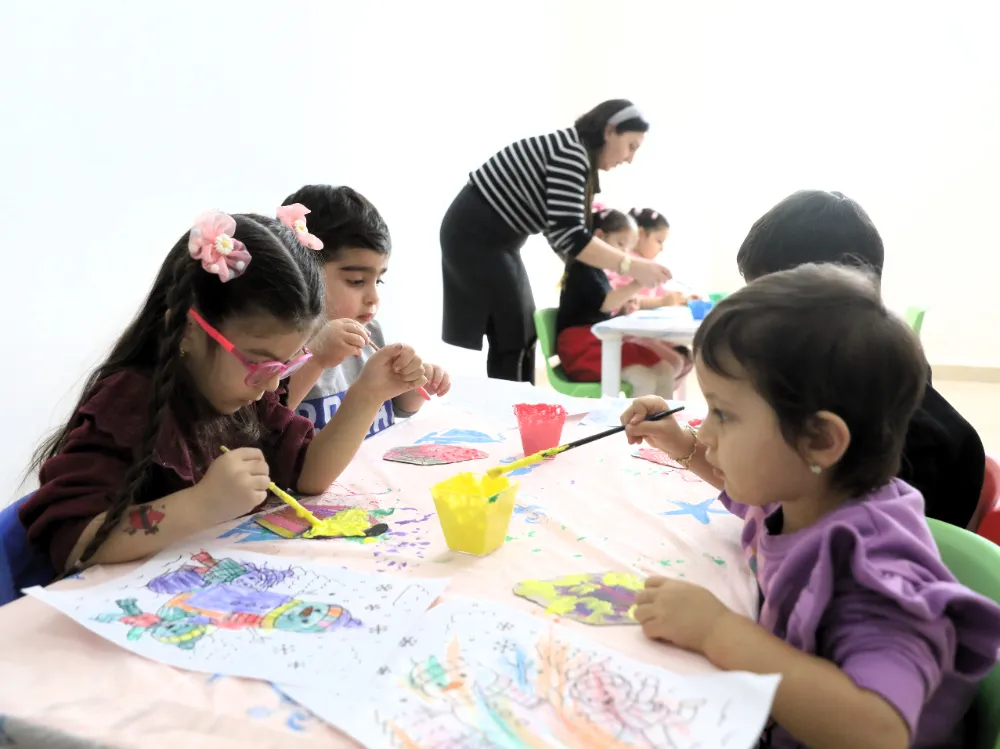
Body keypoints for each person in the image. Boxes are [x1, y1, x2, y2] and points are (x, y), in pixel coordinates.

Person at [622, 264, 1000, 749]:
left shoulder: (873, 571)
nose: (708, 431)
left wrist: (717, 632)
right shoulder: (808, 493)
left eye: (724, 414)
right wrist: (683, 444)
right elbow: (752, 500)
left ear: (820, 440)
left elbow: (879, 732)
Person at [20, 210, 427, 575]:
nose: (272, 386)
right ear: (186, 329)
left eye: (286, 366)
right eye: (261, 364)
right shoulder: (128, 402)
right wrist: (201, 505)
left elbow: (309, 475)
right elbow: (73, 542)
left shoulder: (242, 396)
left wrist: (368, 393)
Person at [731, 189, 984, 527]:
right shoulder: (849, 370)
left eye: (769, 302)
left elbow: (829, 534)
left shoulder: (904, 443)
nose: (757, 318)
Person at [440, 99, 671, 383]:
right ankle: (513, 406)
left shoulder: (572, 151)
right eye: (631, 146)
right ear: (610, 131)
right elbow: (570, 236)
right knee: (512, 332)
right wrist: (632, 266)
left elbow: (562, 232)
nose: (629, 158)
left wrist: (599, 276)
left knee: (521, 331)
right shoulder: (571, 154)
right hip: (477, 235)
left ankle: (518, 403)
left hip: (494, 238)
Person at [277, 185, 450, 437]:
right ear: (301, 272)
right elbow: (269, 419)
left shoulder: (369, 331)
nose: (374, 298)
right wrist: (317, 358)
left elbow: (396, 407)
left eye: (378, 281)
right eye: (357, 281)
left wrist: (412, 388)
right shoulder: (280, 344)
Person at [556, 207, 688, 397]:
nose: (624, 254)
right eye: (620, 245)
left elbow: (598, 311)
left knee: (665, 370)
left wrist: (621, 312)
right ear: (599, 237)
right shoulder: (583, 269)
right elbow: (605, 304)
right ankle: (639, 417)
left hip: (598, 340)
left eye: (627, 249)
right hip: (582, 348)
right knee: (644, 378)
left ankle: (663, 415)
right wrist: (638, 282)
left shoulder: (598, 272)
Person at [606, 207, 693, 308]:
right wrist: (661, 302)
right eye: (659, 241)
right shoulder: (626, 263)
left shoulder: (647, 265)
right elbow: (626, 299)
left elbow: (657, 292)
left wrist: (681, 299)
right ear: (640, 234)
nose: (661, 248)